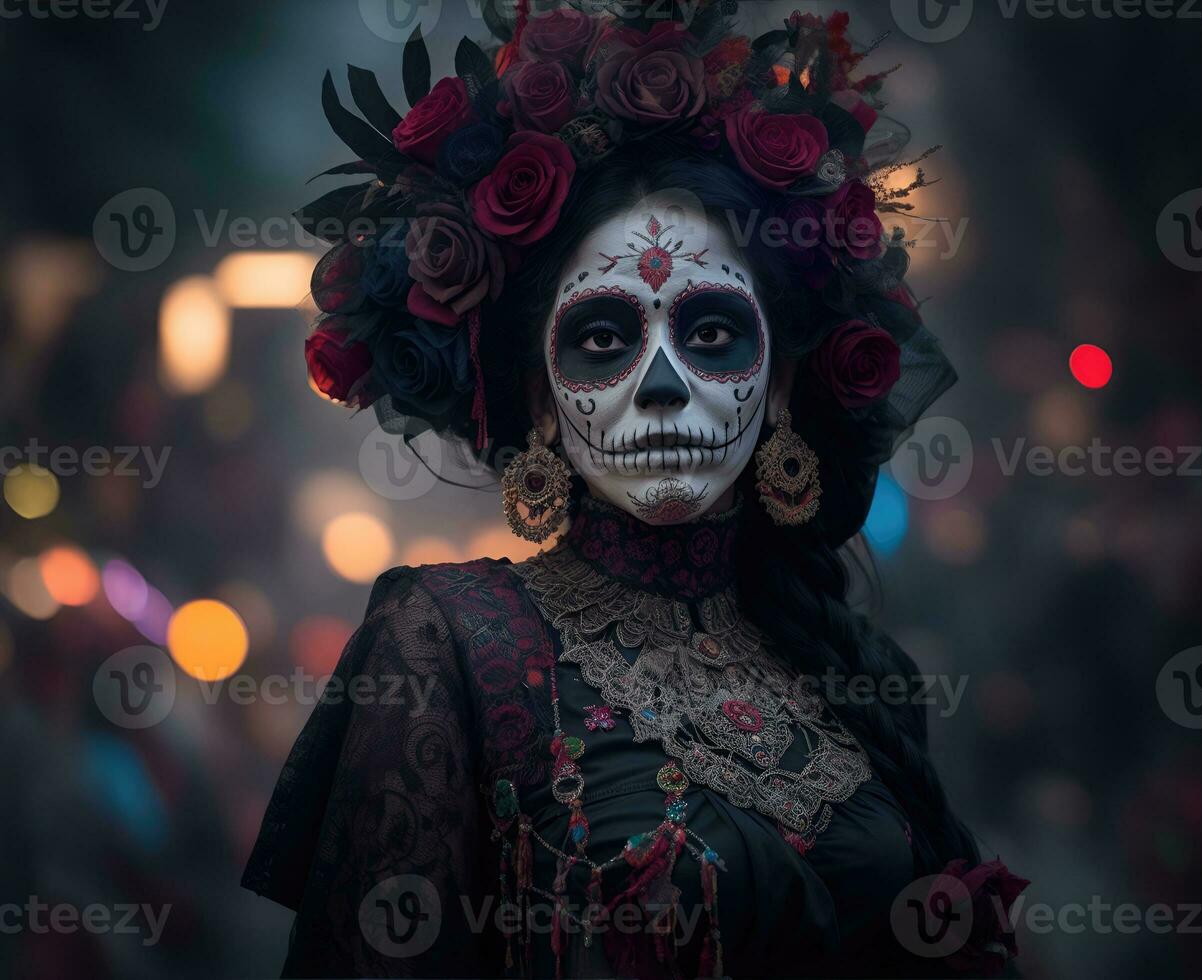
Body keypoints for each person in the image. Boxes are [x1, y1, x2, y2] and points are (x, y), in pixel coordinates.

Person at [245, 3, 1028, 976]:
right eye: (604, 338)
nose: (660, 383)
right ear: (537, 393)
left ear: (779, 382)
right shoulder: (448, 639)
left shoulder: (841, 661)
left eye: (709, 333)